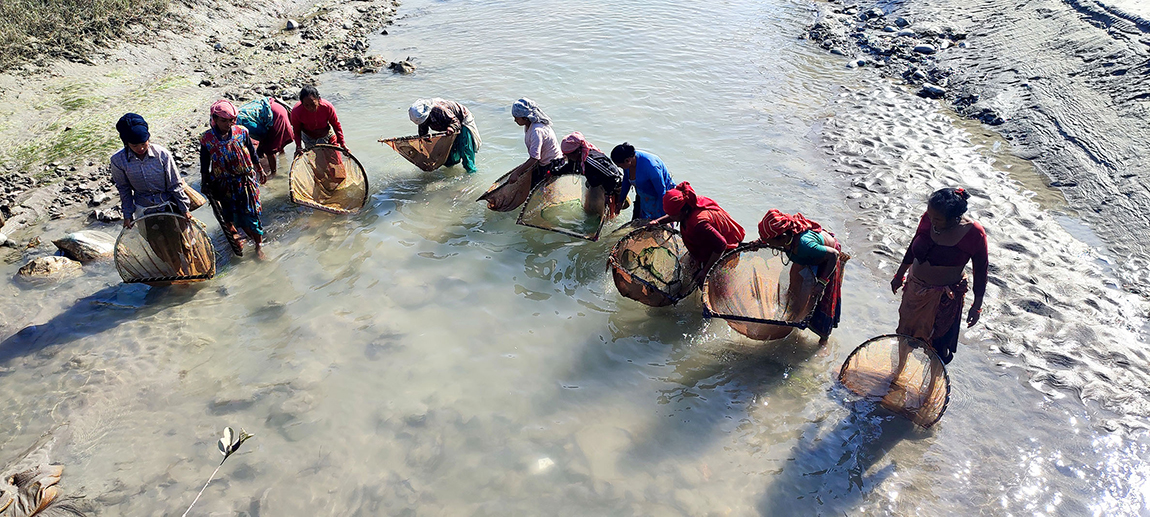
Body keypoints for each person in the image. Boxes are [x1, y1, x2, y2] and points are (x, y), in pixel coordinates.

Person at [891, 187, 988, 363]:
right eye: (930, 215)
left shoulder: (974, 233)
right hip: (915, 290)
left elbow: (981, 271)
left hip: (944, 299)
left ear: (955, 218)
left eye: (937, 219)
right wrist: (899, 275)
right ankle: (899, 372)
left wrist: (977, 306)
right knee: (905, 336)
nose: (932, 220)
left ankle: (934, 378)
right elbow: (912, 247)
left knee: (938, 345)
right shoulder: (929, 219)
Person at [110, 113, 194, 271]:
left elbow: (175, 184)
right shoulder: (118, 161)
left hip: (169, 205)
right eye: (135, 146)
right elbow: (124, 190)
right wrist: (127, 215)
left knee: (183, 243)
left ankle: (189, 269)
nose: (141, 148)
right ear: (127, 143)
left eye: (144, 143)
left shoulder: (162, 154)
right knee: (160, 246)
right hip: (146, 210)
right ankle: (176, 271)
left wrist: (184, 209)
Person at [754, 209, 847, 343]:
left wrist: (822, 282)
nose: (767, 243)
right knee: (794, 294)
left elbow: (833, 255)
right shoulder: (787, 238)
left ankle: (823, 341)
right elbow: (771, 238)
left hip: (826, 260)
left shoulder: (804, 246)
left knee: (821, 301)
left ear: (783, 238)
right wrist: (759, 242)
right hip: (804, 258)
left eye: (768, 241)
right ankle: (794, 323)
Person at [200, 100, 268, 259]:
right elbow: (205, 163)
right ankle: (239, 235)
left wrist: (260, 169)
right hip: (224, 184)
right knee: (231, 215)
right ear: (215, 119)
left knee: (252, 215)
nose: (228, 124)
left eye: (231, 120)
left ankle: (258, 245)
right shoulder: (207, 139)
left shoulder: (242, 132)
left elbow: (252, 152)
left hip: (245, 182)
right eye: (223, 120)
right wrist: (205, 182)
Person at [649, 182, 744, 282]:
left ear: (684, 211)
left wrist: (705, 271)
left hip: (726, 251)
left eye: (672, 215)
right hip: (708, 244)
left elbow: (722, 245)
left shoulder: (699, 224)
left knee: (715, 284)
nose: (671, 218)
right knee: (684, 273)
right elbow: (674, 214)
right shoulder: (688, 204)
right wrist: (658, 222)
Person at [555, 132, 624, 218]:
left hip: (610, 185)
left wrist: (608, 195)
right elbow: (570, 167)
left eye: (568, 155)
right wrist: (554, 172)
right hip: (595, 182)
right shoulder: (578, 157)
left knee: (605, 216)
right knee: (588, 210)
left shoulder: (592, 161)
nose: (567, 157)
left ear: (577, 152)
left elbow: (614, 176)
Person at [408, 98, 482, 174]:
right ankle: (450, 172)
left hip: (462, 120)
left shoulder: (439, 110)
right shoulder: (422, 118)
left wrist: (451, 128)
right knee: (448, 157)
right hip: (447, 124)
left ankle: (471, 172)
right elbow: (423, 132)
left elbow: (455, 122)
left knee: (465, 149)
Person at [609, 143, 676, 221]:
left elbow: (661, 191)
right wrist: (621, 201)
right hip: (644, 196)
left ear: (627, 160)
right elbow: (626, 181)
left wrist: (664, 216)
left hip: (661, 198)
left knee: (657, 224)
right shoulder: (628, 164)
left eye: (620, 166)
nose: (620, 168)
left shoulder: (652, 167)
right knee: (638, 222)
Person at [506, 98, 564, 187]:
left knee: (538, 188)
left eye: (516, 118)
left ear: (525, 118)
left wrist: (517, 173)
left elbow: (534, 158)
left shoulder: (536, 131)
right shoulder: (529, 125)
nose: (515, 120)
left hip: (552, 164)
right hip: (543, 161)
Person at [236, 96, 295, 178]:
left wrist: (262, 146)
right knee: (275, 141)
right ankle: (282, 154)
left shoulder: (242, 122)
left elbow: (263, 133)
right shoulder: (235, 114)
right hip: (273, 106)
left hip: (275, 114)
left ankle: (273, 173)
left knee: (270, 149)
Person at [291, 85, 346, 154]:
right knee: (313, 157)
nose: (310, 108)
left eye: (313, 104)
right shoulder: (296, 111)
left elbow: (336, 125)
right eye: (306, 105)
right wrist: (298, 146)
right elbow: (296, 130)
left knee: (335, 156)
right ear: (302, 103)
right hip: (309, 137)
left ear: (318, 99)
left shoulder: (327, 107)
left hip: (326, 134)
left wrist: (342, 143)